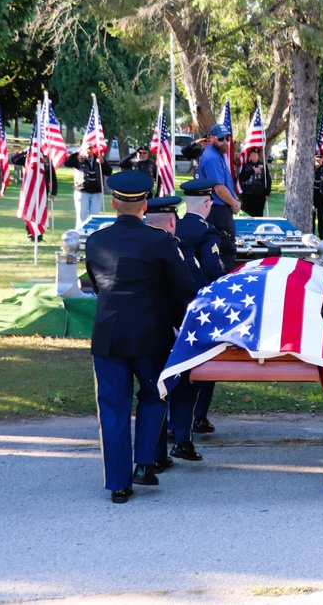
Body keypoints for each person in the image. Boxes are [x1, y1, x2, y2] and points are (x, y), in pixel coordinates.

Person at [84, 172, 198, 503]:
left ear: (114, 203)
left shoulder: (95, 241)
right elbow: (184, 289)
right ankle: (144, 465)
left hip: (109, 337)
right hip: (151, 336)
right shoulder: (161, 241)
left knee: (113, 410)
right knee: (153, 396)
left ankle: (119, 484)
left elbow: (97, 283)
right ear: (145, 205)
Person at [144, 195, 206, 464]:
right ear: (172, 221)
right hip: (174, 328)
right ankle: (181, 438)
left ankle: (152, 456)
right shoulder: (176, 248)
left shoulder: (127, 244)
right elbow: (192, 287)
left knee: (149, 393)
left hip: (136, 329)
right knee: (181, 386)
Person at [174, 178, 227, 435]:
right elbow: (212, 268)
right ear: (208, 203)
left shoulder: (173, 226)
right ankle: (198, 416)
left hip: (172, 303)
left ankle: (175, 419)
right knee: (206, 357)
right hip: (199, 303)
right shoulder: (207, 231)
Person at [196, 123, 241, 271]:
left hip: (219, 210)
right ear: (210, 138)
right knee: (225, 253)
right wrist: (234, 203)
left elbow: (226, 184)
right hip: (217, 212)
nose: (225, 142)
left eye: (227, 138)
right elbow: (219, 188)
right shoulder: (212, 158)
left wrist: (235, 201)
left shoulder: (216, 155)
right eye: (221, 139)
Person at [11, 150, 57, 241]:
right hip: (30, 188)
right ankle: (30, 234)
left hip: (43, 188)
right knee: (30, 211)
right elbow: (14, 160)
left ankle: (39, 235)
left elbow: (53, 176)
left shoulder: (46, 159)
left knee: (41, 211)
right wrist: (25, 152)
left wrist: (53, 192)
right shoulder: (27, 157)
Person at [63, 144, 113, 230]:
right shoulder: (78, 159)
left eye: (90, 149)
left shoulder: (98, 159)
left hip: (96, 191)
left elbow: (108, 172)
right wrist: (77, 152)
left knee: (95, 215)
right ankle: (80, 234)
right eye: (86, 149)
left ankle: (93, 234)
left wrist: (103, 163)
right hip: (82, 191)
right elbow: (67, 163)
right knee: (81, 215)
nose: (88, 151)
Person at [238, 148, 270, 218]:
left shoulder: (263, 166)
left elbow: (268, 180)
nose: (253, 155)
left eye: (255, 154)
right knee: (248, 214)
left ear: (258, 155)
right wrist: (252, 171)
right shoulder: (246, 166)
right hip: (248, 194)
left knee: (258, 214)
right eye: (251, 154)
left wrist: (267, 193)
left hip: (259, 194)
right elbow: (242, 178)